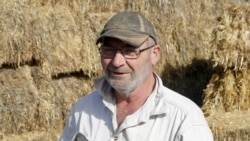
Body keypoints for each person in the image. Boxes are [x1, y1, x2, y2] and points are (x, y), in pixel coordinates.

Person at [59, 11, 214, 141]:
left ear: (154, 54)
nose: (117, 61)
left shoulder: (184, 120)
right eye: (109, 50)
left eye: (130, 51)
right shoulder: (83, 110)